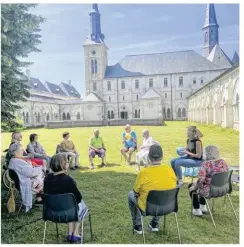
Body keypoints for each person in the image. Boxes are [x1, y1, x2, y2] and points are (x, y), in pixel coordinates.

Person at [128, 144, 177, 234]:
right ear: (161, 156)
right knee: (161, 194)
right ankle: (155, 224)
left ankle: (138, 225)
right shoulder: (170, 170)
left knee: (130, 194)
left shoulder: (143, 172)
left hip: (147, 208)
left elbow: (135, 192)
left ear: (149, 157)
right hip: (167, 205)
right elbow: (173, 185)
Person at [44, 154, 88, 243]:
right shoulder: (68, 180)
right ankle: (75, 233)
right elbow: (78, 198)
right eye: (67, 162)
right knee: (79, 204)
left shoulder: (47, 178)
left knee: (70, 204)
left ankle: (70, 233)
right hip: (67, 213)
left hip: (51, 212)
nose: (68, 163)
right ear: (62, 164)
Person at [188, 145, 229, 216]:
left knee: (192, 186)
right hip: (223, 189)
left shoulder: (205, 164)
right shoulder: (223, 162)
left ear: (206, 153)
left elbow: (201, 179)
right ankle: (202, 206)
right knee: (203, 185)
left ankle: (197, 210)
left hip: (210, 191)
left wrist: (194, 187)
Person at [8, 144, 45, 211]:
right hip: (25, 183)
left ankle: (39, 200)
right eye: (21, 150)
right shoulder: (18, 162)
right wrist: (41, 167)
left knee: (41, 177)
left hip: (20, 182)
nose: (23, 151)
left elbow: (27, 170)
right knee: (45, 181)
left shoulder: (13, 160)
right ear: (17, 152)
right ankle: (40, 200)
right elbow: (31, 172)